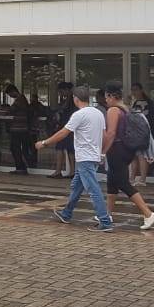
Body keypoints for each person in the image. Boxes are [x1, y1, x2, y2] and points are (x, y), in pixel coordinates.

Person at [39, 85, 113, 232]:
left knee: (93, 189)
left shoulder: (79, 115)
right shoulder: (98, 113)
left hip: (85, 157)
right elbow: (104, 135)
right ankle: (66, 213)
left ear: (76, 99)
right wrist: (102, 153)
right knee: (77, 186)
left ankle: (105, 221)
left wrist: (44, 142)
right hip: (92, 156)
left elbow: (63, 133)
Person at [101, 82, 154, 229]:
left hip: (117, 149)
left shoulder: (113, 110)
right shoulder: (126, 108)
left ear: (111, 96)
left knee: (122, 183)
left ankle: (148, 213)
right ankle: (107, 214)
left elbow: (111, 133)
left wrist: (103, 151)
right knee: (112, 181)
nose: (106, 101)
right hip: (127, 149)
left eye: (106, 97)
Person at [4, 84, 31, 175]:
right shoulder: (21, 99)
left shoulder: (20, 99)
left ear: (13, 91)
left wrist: (5, 109)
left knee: (15, 147)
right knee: (17, 148)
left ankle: (21, 167)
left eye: (10, 94)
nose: (10, 96)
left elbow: (12, 110)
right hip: (20, 127)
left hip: (19, 128)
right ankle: (21, 167)